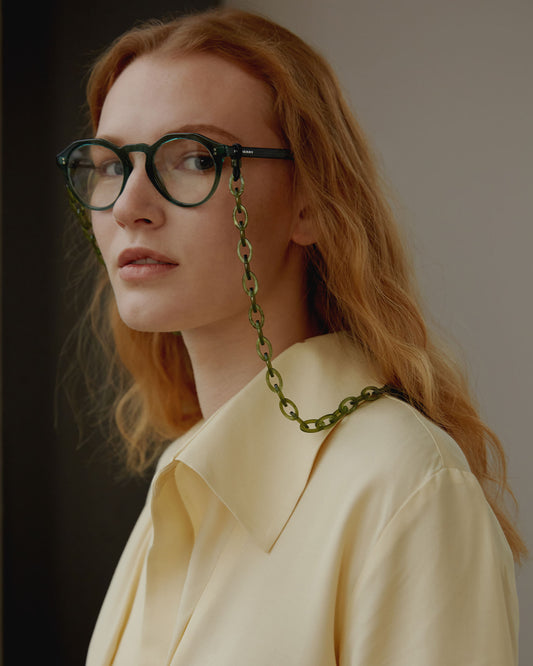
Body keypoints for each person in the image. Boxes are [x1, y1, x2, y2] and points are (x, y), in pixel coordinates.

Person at [56, 8, 525, 665]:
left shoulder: (403, 486)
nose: (131, 205)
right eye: (111, 165)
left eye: (195, 158)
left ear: (309, 201)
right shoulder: (183, 481)